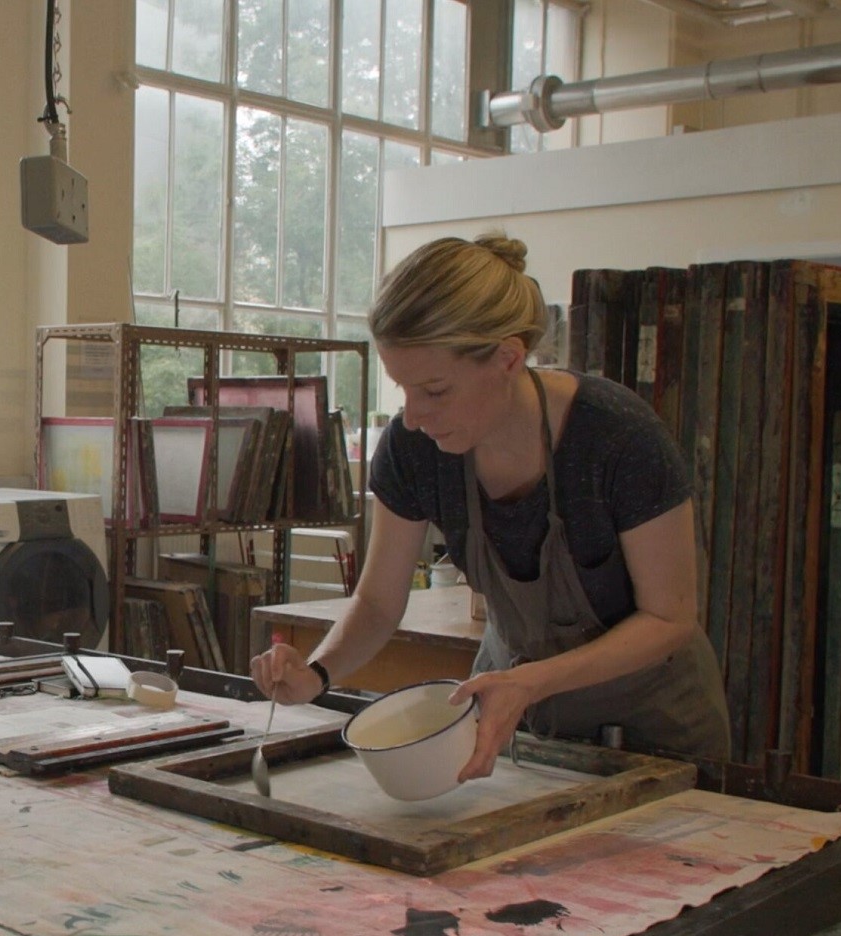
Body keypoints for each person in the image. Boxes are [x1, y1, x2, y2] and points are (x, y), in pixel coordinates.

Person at [250, 233, 729, 779]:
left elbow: (669, 617)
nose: (412, 416)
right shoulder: (415, 450)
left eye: (434, 390)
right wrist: (316, 673)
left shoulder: (618, 440)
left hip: (652, 729)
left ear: (508, 357)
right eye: (402, 388)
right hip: (512, 717)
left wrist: (534, 681)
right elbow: (380, 603)